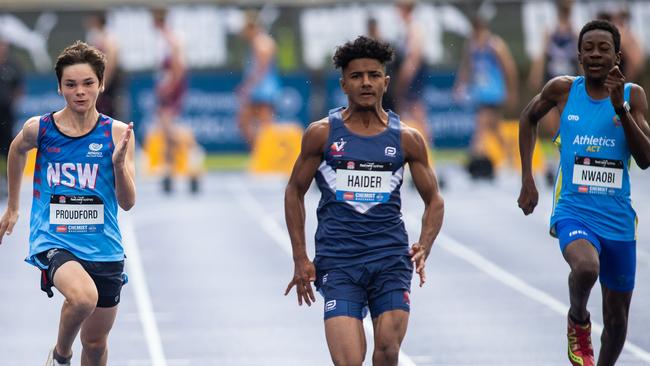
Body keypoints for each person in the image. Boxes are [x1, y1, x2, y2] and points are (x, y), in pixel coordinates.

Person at [284, 36, 444, 365]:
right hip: (339, 262)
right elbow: (293, 192)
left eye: (373, 75)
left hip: (389, 259)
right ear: (343, 84)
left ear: (386, 82)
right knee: (348, 361)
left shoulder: (408, 140)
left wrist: (424, 245)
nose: (366, 82)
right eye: (356, 76)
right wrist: (301, 258)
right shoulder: (322, 134)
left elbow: (435, 201)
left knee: (387, 351)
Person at [518, 20, 650, 366]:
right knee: (586, 268)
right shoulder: (562, 90)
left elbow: (645, 157)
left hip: (618, 218)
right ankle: (578, 318)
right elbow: (527, 118)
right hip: (573, 211)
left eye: (603, 49)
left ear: (617, 56)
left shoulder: (633, 96)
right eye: (588, 48)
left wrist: (619, 106)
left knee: (618, 319)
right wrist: (527, 179)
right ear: (578, 56)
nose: (595, 54)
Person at [0, 41, 136, 366]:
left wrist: (118, 165)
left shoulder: (117, 134)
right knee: (82, 298)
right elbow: (16, 151)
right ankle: (60, 356)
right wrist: (14, 206)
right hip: (55, 238)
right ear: (60, 87)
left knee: (96, 344)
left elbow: (128, 203)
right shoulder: (41, 129)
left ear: (101, 84)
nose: (80, 92)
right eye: (71, 84)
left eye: (88, 83)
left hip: (104, 247)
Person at [455, 13, 518, 179]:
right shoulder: (472, 45)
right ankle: (511, 159)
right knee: (495, 128)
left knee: (481, 125)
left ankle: (475, 156)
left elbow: (508, 68)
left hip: (494, 92)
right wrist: (460, 85)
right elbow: (466, 67)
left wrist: (511, 91)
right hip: (481, 92)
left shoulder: (495, 45)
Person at [528, 0, 579, 186]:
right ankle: (550, 164)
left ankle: (565, 163)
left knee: (568, 126)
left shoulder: (575, 32)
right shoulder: (550, 31)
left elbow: (581, 59)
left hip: (569, 86)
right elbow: (542, 56)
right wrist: (535, 74)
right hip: (552, 84)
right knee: (550, 126)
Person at [151, 8, 198, 193]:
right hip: (168, 86)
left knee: (168, 127)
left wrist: (169, 87)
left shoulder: (172, 39)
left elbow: (179, 67)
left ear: (157, 19)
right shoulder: (163, 38)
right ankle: (169, 172)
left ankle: (194, 153)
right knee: (166, 131)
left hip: (172, 88)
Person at [237, 10, 281, 150]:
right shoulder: (262, 41)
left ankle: (265, 154)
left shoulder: (261, 42)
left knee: (264, 123)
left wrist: (247, 86)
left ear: (252, 27)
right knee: (250, 122)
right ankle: (260, 153)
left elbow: (261, 69)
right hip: (262, 87)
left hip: (262, 88)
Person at [85, 11, 122, 119]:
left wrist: (102, 83)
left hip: (108, 83)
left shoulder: (108, 39)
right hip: (99, 80)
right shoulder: (96, 37)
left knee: (108, 113)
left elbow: (111, 64)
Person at [0, 37, 23, 200]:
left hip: (6, 115)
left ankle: (9, 182)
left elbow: (19, 87)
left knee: (8, 148)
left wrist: (12, 101)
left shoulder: (12, 66)